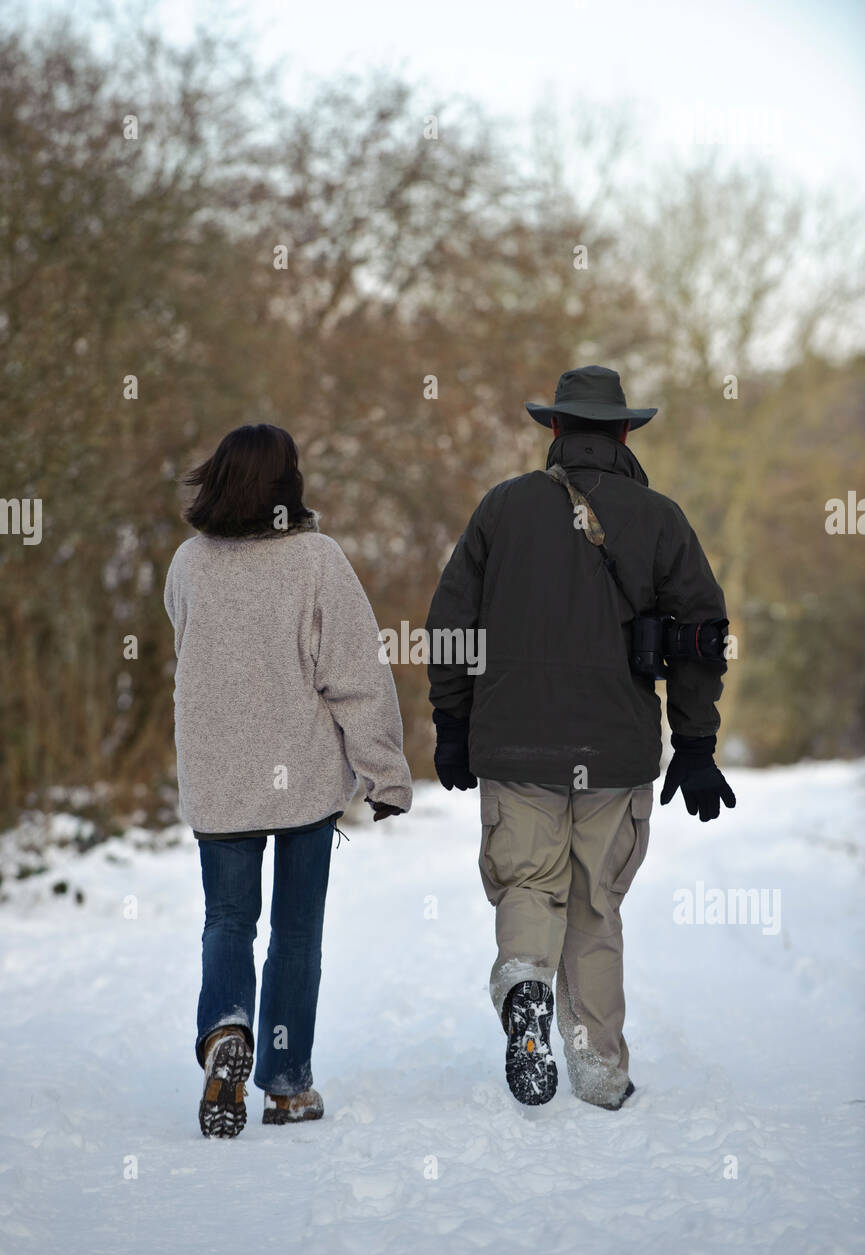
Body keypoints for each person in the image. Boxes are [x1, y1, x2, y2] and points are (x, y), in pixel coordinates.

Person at [425, 366, 734, 1110]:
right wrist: (694, 743)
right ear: (625, 432)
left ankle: (525, 987)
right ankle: (597, 1068)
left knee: (529, 882)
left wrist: (453, 721)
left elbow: (448, 624)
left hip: (515, 742)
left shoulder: (502, 509)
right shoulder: (660, 519)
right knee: (595, 904)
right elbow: (699, 637)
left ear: (554, 430)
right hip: (615, 749)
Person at [164, 423, 412, 1138]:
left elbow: (190, 643)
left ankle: (224, 1031)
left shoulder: (188, 563)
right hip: (302, 778)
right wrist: (384, 773)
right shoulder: (317, 561)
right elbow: (356, 678)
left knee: (227, 921)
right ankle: (286, 1082)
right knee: (296, 933)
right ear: (286, 483)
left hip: (218, 780)